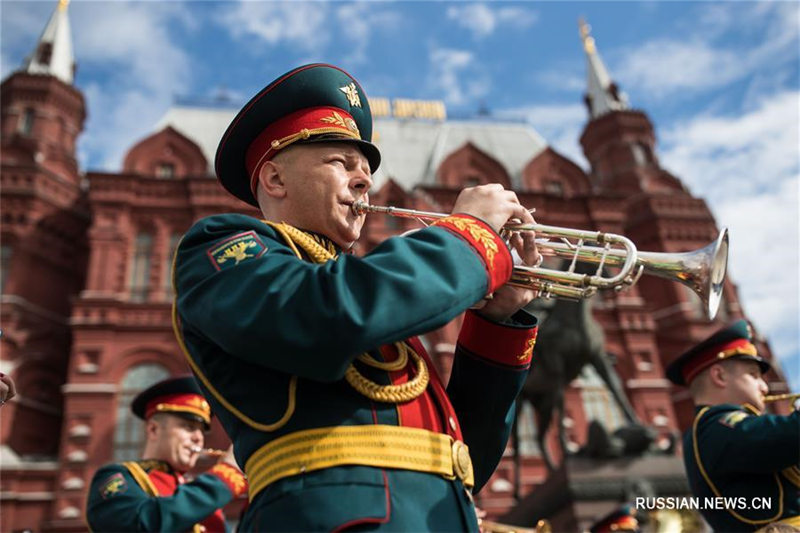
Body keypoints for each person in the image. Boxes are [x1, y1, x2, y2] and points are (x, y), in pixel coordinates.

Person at [172, 63, 542, 531]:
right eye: (341, 163)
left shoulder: (370, 302)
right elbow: (327, 314)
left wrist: (497, 322)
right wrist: (469, 238)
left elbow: (463, 460)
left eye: (366, 171)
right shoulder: (221, 246)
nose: (365, 180)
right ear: (275, 180)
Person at [665, 319, 800, 532]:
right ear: (719, 376)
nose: (764, 387)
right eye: (754, 375)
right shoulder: (715, 426)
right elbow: (788, 434)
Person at [86, 375, 247, 532]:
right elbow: (140, 525)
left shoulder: (202, 499)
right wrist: (224, 477)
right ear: (153, 429)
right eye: (189, 427)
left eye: (202, 432)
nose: (199, 438)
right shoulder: (118, 477)